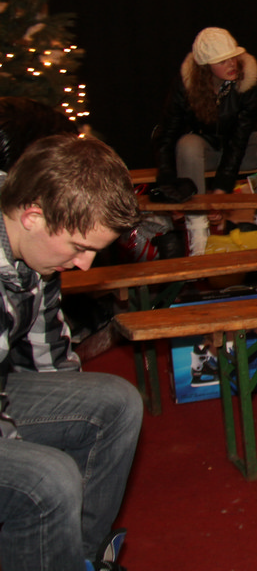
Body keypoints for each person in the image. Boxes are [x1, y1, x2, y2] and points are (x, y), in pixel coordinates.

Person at [0, 134, 144, 571]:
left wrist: (71, 419)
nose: (84, 264)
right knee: (46, 480)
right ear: (32, 217)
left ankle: (79, 557)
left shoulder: (33, 246)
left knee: (115, 403)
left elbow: (47, 356)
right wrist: (32, 464)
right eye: (80, 248)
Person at [154, 27, 257, 255]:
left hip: (239, 151)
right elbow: (167, 133)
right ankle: (198, 232)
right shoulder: (186, 84)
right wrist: (168, 183)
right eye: (222, 61)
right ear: (205, 66)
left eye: (232, 57)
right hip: (200, 153)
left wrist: (221, 189)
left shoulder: (249, 80)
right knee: (187, 144)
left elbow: (240, 138)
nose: (231, 64)